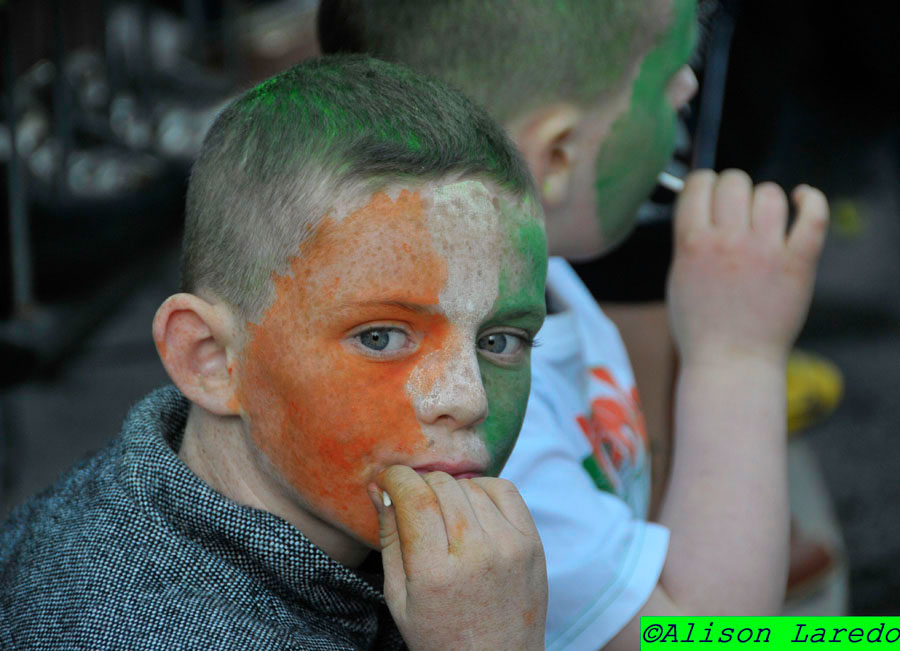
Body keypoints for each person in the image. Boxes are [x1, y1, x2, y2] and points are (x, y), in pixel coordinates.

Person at [317, 1, 830, 648]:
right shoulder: (482, 433)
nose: (689, 89)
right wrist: (738, 353)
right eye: (673, 74)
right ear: (557, 155)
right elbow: (700, 636)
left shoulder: (529, 278)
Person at [0, 55, 551, 650]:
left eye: (501, 341)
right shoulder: (131, 630)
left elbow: (661, 635)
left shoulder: (464, 547)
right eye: (380, 337)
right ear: (208, 358)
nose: (465, 398)